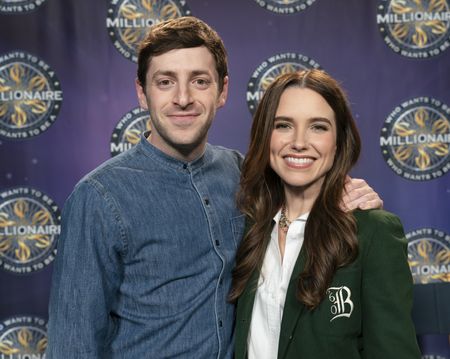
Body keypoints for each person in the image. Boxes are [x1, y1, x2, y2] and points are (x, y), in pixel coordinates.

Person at [46, 17, 382, 358]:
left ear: (222, 91)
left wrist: (351, 195)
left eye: (199, 81)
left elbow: (304, 200)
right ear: (141, 94)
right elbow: (72, 344)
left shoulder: (242, 173)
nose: (183, 98)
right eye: (165, 82)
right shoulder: (100, 198)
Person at [230, 69, 421, 359]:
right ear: (264, 135)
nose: (299, 142)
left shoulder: (374, 233)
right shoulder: (246, 227)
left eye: (318, 127)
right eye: (283, 125)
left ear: (339, 141)